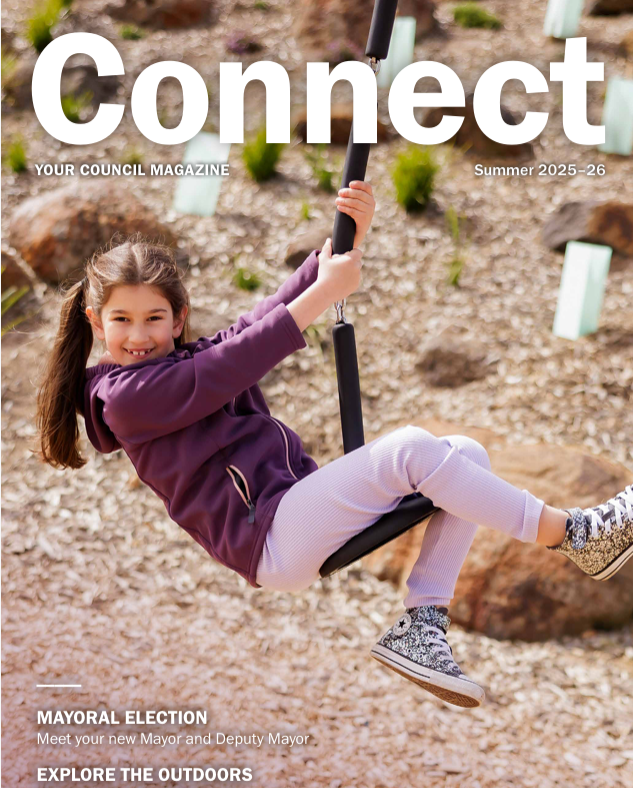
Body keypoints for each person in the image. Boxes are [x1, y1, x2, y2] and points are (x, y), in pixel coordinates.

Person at [36, 181, 633, 710]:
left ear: (178, 318)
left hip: (292, 512)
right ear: (96, 321)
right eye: (121, 320)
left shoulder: (184, 358)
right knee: (411, 449)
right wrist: (323, 298)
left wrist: (340, 246)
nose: (138, 335)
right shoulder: (126, 399)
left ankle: (422, 625)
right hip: (268, 536)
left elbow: (248, 327)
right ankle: (575, 534)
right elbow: (237, 361)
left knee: (464, 455)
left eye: (153, 318)